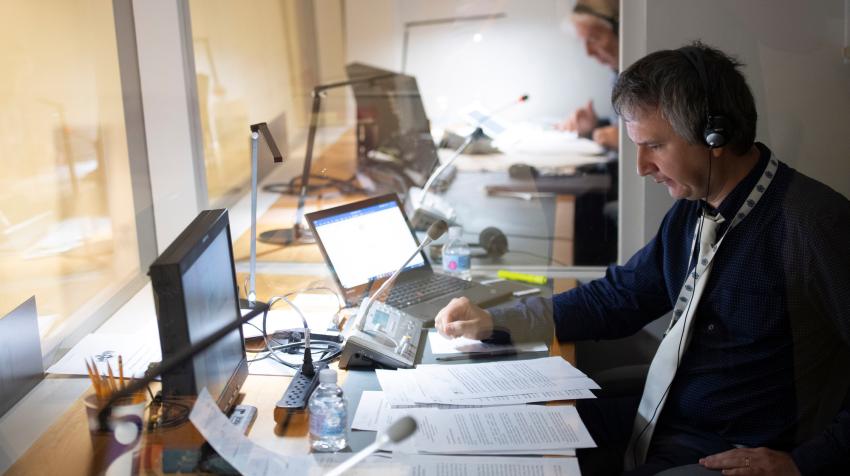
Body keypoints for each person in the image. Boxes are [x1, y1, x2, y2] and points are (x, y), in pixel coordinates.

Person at [435, 42, 850, 475]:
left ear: (716, 138)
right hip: (667, 417)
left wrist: (807, 463)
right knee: (499, 439)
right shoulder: (695, 209)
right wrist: (497, 320)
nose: (640, 166)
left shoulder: (813, 225)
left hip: (730, 451)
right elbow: (620, 298)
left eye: (654, 145)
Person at [559, 0, 620, 151]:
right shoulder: (618, 73)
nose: (588, 52)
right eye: (584, 42)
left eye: (594, 39)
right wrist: (594, 126)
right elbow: (619, 130)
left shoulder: (648, 77)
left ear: (621, 30)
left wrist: (629, 140)